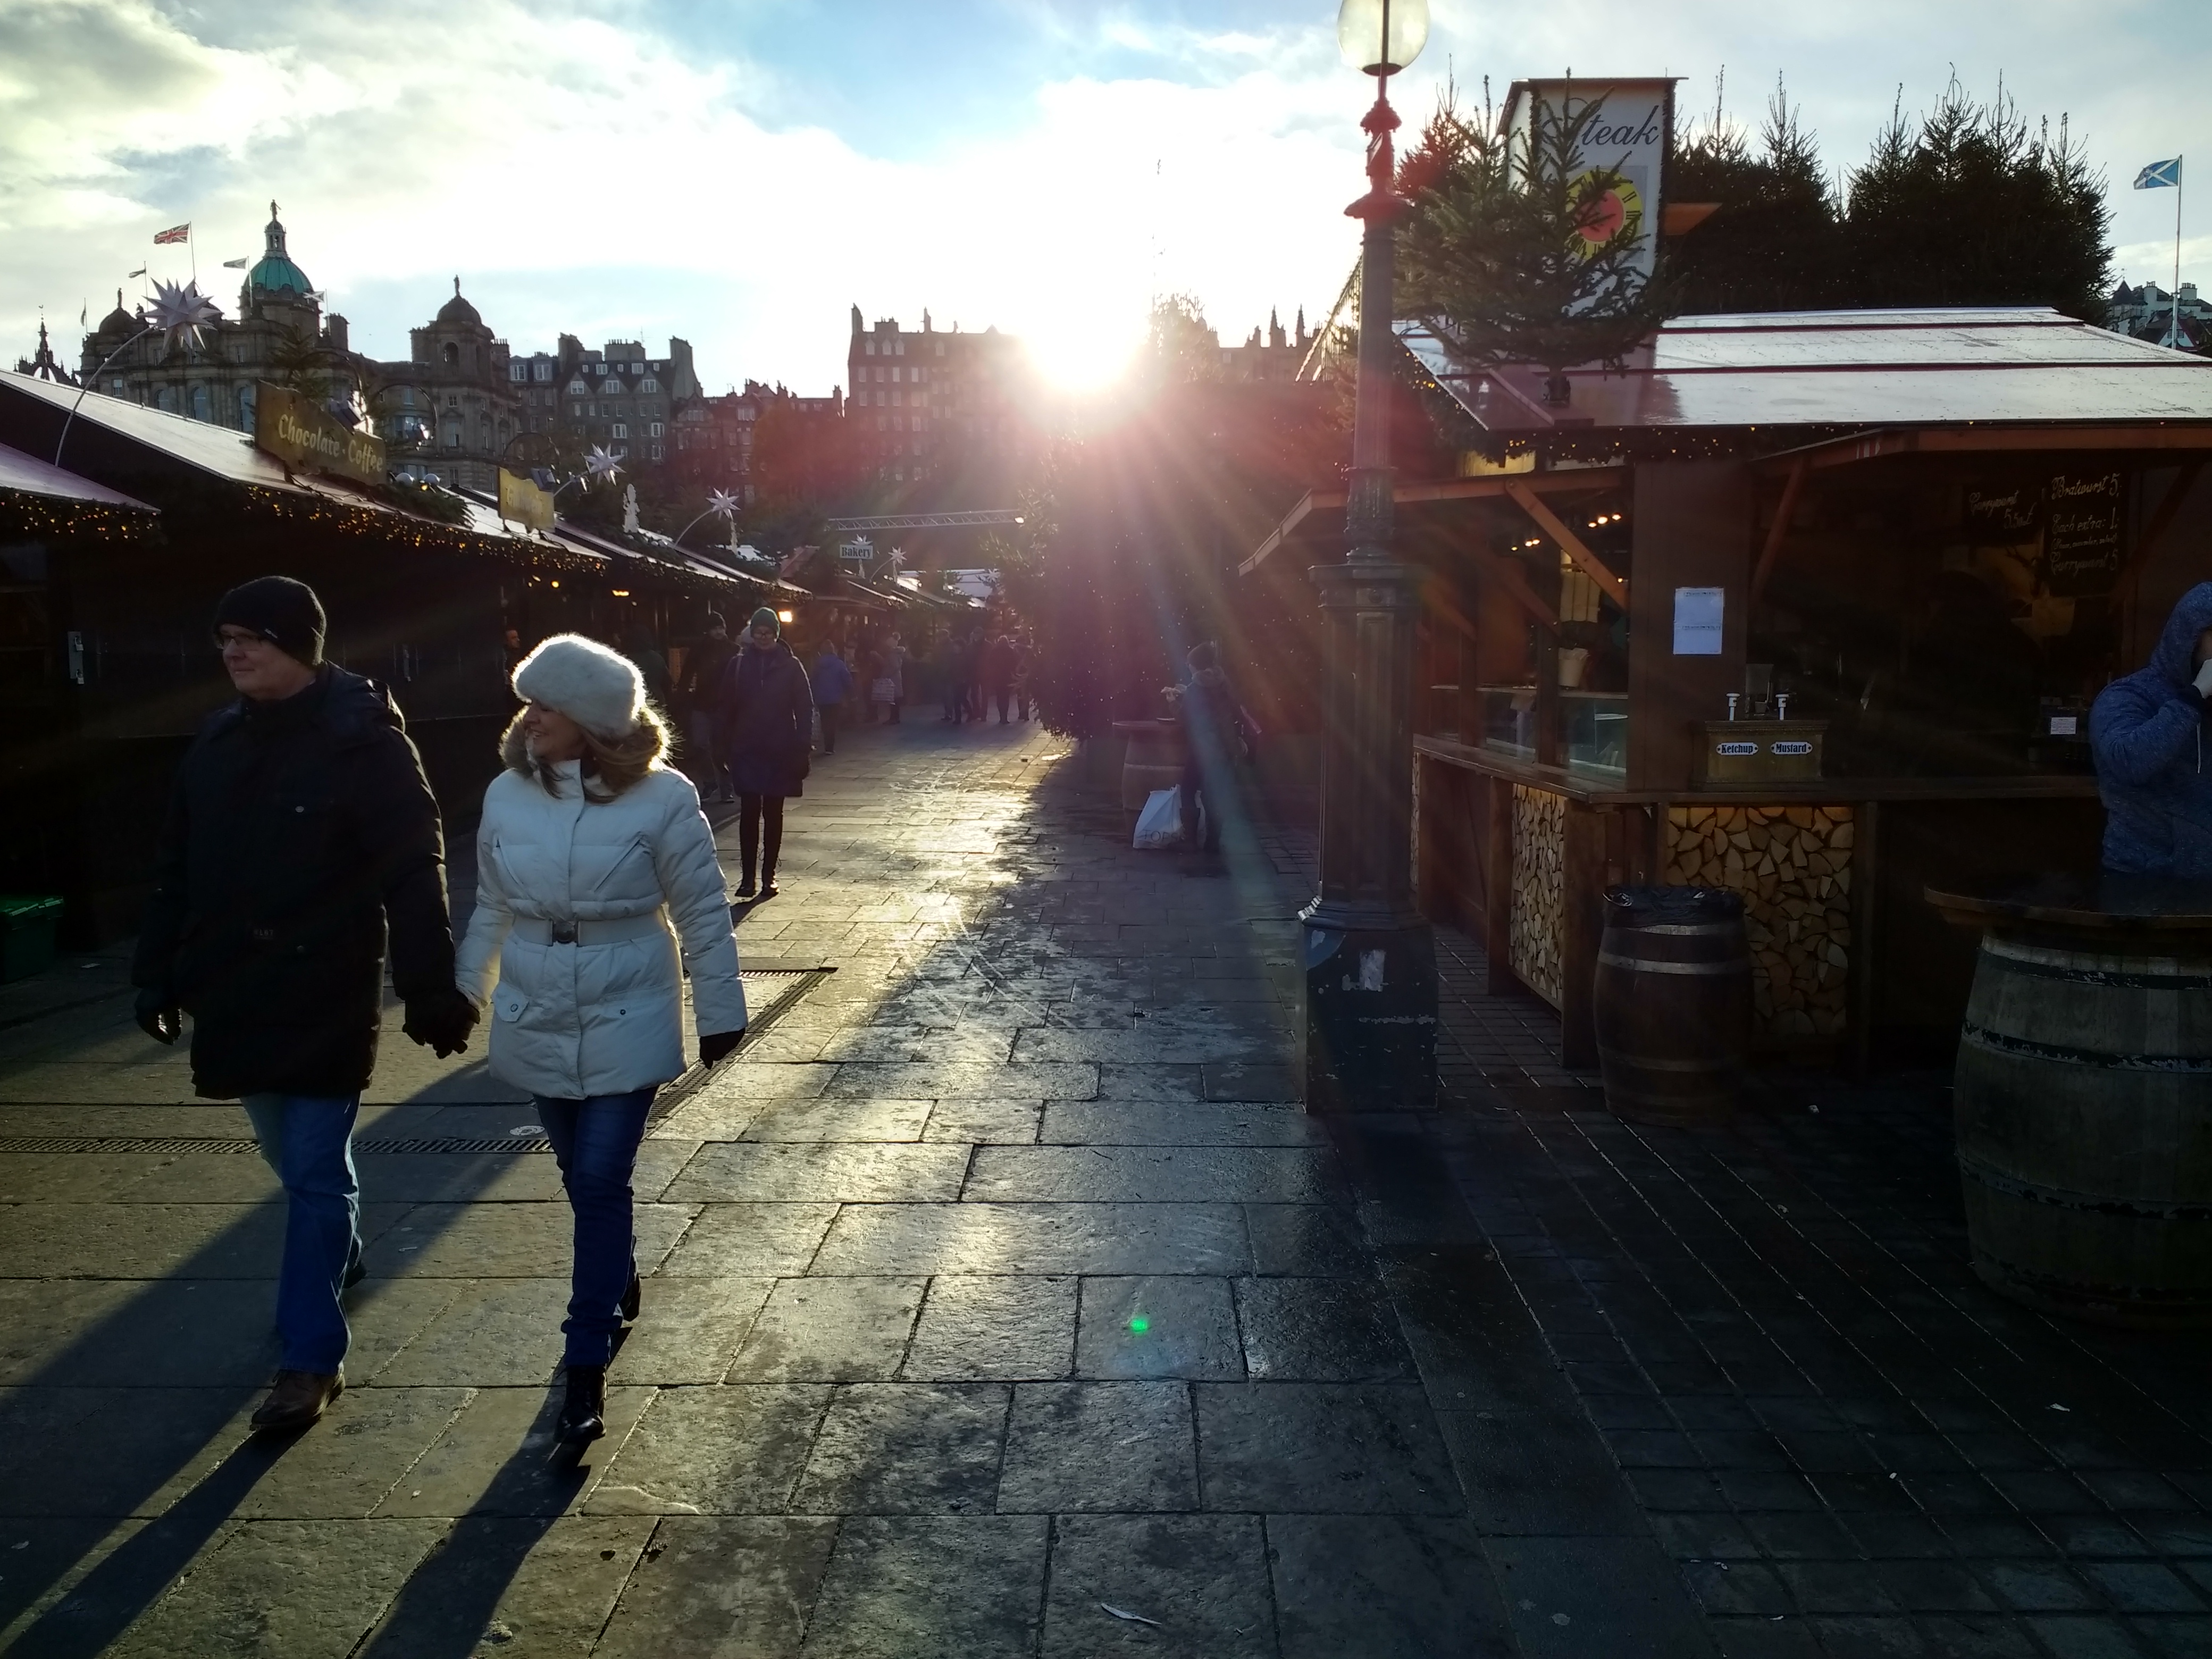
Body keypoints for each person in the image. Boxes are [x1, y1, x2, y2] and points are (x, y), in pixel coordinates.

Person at [133, 576, 476, 1434]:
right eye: (225, 639)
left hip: (327, 986)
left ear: (298, 644)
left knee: (316, 1172)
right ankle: (340, 1250)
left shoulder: (365, 740)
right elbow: (174, 866)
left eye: (251, 638)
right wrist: (155, 974)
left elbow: (413, 864)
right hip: (236, 989)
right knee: (291, 1161)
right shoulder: (217, 741)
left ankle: (310, 1359)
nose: (234, 653)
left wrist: (430, 986)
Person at [456, 633, 747, 1446]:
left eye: (546, 705)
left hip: (630, 1002)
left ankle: (585, 1361)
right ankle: (617, 1272)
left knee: (597, 1177)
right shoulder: (508, 794)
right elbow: (491, 903)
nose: (530, 717)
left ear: (590, 719)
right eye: (529, 702)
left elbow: (700, 906)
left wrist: (720, 1009)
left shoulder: (664, 797)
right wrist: (463, 989)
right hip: (538, 1003)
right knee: (577, 1173)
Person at [2092, 582, 2212, 876]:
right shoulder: (2128, 695)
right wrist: (2193, 698)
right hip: (2144, 875)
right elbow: (2129, 762)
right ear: (2190, 636)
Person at [718, 607, 815, 899]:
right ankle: (747, 878)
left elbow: (805, 708)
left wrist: (802, 746)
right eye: (758, 632)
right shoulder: (738, 665)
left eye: (768, 632)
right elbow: (725, 707)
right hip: (746, 747)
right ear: (752, 634)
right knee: (749, 811)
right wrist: (721, 745)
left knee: (773, 813)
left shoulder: (791, 666)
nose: (763, 637)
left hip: (779, 749)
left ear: (776, 634)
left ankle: (769, 875)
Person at [1177, 641, 1246, 861]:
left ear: (1196, 666)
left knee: (1187, 790)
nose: (1189, 667)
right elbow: (1237, 712)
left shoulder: (1194, 688)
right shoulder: (1225, 683)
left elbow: (1185, 719)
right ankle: (1213, 842)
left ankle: (1190, 842)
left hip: (1201, 749)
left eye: (1190, 664)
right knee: (1215, 795)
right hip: (1225, 748)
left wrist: (1173, 702)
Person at [676, 613, 735, 801]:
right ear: (708, 631)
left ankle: (726, 787)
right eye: (715, 628)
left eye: (721, 628)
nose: (718, 632)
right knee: (700, 744)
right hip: (702, 703)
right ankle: (711, 781)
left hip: (724, 705)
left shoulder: (733, 650)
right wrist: (682, 695)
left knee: (722, 747)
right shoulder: (699, 650)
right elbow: (687, 674)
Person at [811, 637, 854, 756]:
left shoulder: (817, 664)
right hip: (835, 697)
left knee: (824, 720)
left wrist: (813, 694)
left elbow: (813, 680)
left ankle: (826, 742)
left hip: (821, 698)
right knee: (832, 721)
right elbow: (847, 679)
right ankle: (830, 747)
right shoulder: (839, 663)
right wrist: (850, 692)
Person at [626, 628, 672, 714]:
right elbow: (668, 682)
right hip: (657, 699)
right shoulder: (657, 658)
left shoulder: (626, 660)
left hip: (634, 702)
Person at [981, 632, 1018, 724]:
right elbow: (1014, 664)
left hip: (997, 678)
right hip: (1007, 677)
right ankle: (1005, 717)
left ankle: (1001, 716)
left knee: (999, 697)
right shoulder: (1010, 651)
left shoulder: (994, 651)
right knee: (1006, 698)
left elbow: (990, 664)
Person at [881, 631, 907, 725]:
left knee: (893, 699)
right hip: (896, 678)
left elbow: (894, 667)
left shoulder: (892, 654)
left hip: (893, 679)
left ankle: (894, 718)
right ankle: (895, 717)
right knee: (895, 699)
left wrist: (886, 674)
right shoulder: (897, 653)